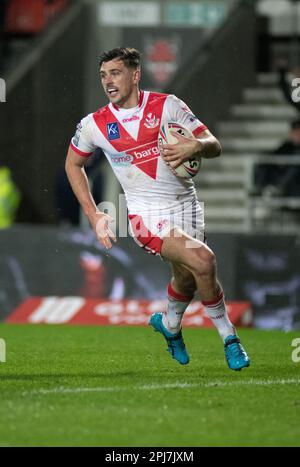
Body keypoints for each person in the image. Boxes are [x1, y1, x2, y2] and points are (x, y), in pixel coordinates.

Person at [65, 47, 250, 371]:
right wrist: (94, 214)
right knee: (203, 261)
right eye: (103, 75)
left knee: (188, 278)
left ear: (135, 75)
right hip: (144, 217)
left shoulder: (168, 106)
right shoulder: (95, 124)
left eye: (116, 73)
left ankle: (170, 326)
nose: (108, 81)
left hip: (188, 208)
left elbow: (214, 145)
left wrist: (196, 145)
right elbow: (72, 164)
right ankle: (230, 339)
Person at [254, 118, 300, 197]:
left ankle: (278, 187)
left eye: (298, 132)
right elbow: (274, 155)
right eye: (294, 132)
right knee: (264, 161)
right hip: (283, 176)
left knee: (294, 166)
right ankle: (260, 189)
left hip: (295, 181)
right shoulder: (287, 146)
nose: (295, 135)